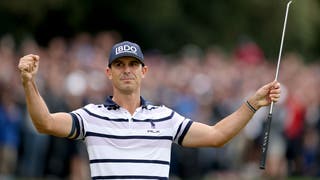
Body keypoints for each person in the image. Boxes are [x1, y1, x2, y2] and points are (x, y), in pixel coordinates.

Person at [18, 41, 281, 180]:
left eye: (133, 64)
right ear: (109, 73)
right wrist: (29, 83)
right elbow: (46, 123)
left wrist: (253, 103)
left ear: (144, 71)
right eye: (119, 65)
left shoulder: (164, 117)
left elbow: (216, 136)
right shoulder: (91, 116)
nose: (127, 70)